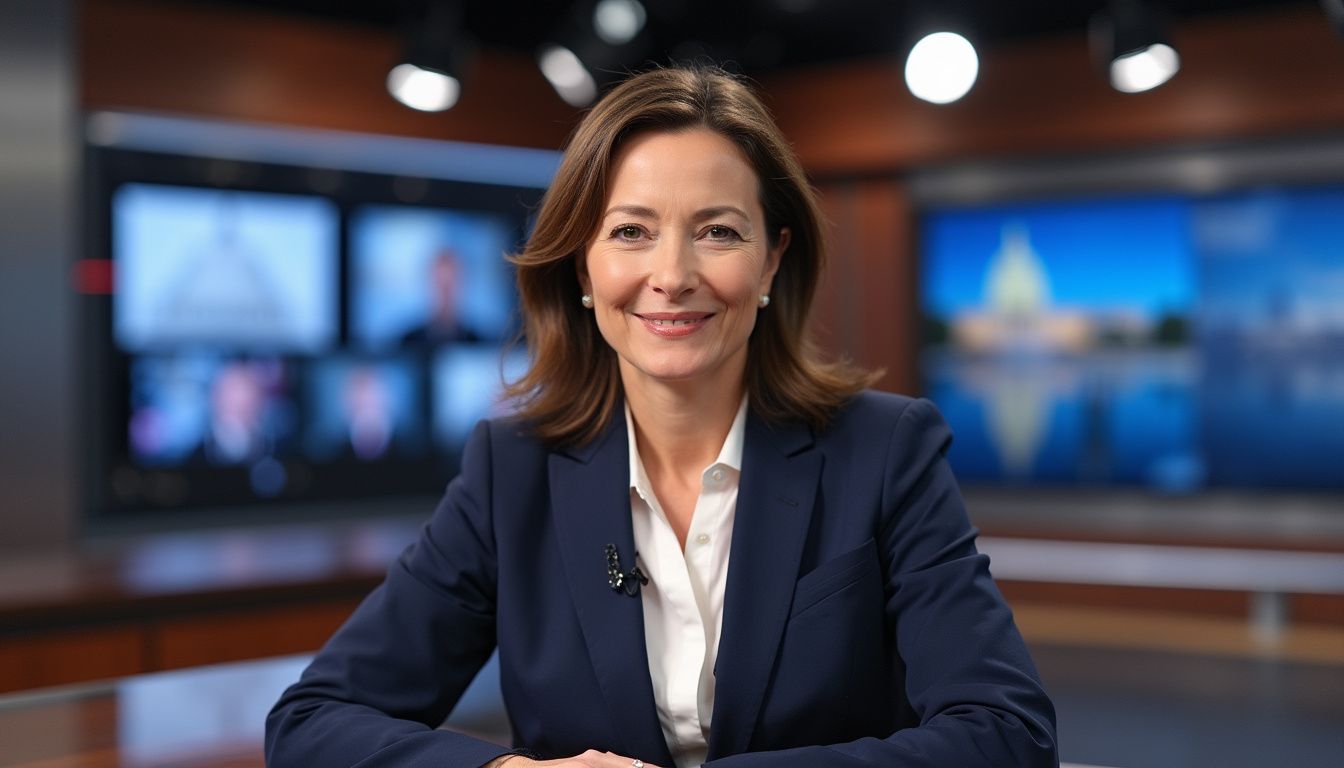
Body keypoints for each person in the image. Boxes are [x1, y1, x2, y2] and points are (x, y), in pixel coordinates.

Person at [266, 65, 1058, 768]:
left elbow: (1007, 732)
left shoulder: (885, 450)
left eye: (717, 231)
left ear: (772, 260)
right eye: (631, 233)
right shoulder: (513, 471)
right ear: (584, 264)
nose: (671, 275)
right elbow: (311, 723)